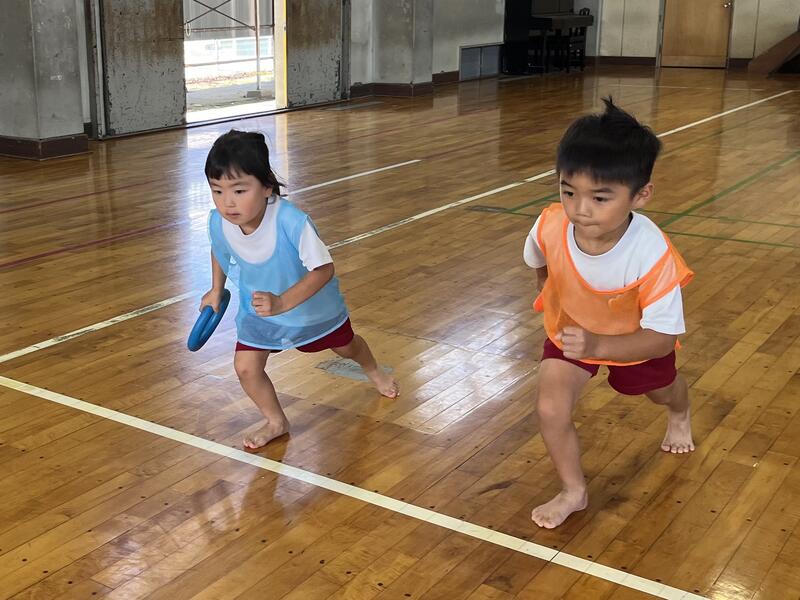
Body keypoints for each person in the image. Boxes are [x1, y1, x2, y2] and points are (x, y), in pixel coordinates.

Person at [524, 98, 694, 529]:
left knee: (660, 391)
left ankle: (679, 412)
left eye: (600, 197)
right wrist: (546, 285)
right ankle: (573, 491)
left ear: (641, 195)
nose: (580, 209)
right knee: (550, 409)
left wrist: (600, 344)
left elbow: (661, 338)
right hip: (571, 332)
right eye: (568, 192)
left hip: (635, 341)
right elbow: (537, 255)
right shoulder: (550, 223)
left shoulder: (651, 253)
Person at [201, 130, 399, 449]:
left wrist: (282, 302)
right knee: (246, 368)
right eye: (217, 190)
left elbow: (324, 269)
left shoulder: (291, 221)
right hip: (260, 311)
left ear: (267, 186)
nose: (227, 202)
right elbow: (219, 247)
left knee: (346, 347)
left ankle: (373, 369)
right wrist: (215, 289)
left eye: (239, 190)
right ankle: (276, 421)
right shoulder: (219, 222)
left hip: (310, 309)